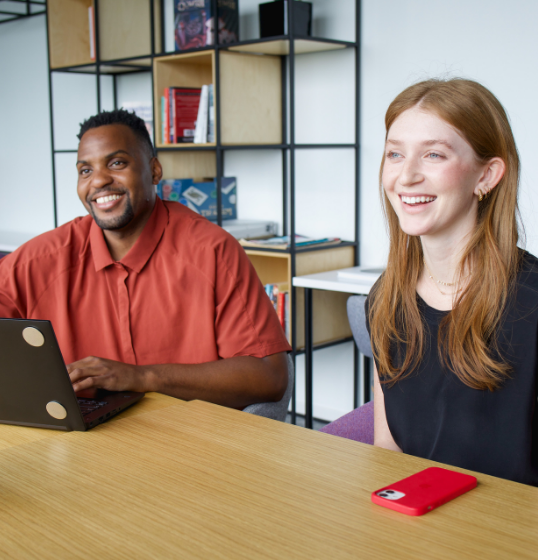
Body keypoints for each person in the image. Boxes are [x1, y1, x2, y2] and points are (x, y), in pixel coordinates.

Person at [0, 109, 291, 410]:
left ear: (154, 171)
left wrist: (143, 377)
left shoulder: (212, 251)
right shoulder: (40, 260)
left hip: (189, 440)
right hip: (77, 440)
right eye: (85, 170)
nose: (98, 180)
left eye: (117, 163)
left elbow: (269, 377)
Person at [367, 78, 537, 486]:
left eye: (434, 155)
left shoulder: (532, 304)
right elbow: (388, 454)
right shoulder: (385, 299)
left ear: (488, 175)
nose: (406, 176)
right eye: (395, 153)